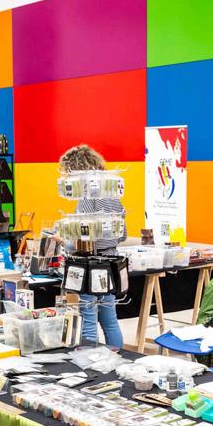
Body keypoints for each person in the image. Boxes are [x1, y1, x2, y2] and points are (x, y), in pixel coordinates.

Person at [59, 144, 126, 349]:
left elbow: (83, 239)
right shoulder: (113, 194)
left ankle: (91, 362)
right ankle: (118, 358)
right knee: (110, 321)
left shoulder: (87, 196)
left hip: (90, 266)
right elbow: (122, 235)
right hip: (111, 262)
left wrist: (63, 239)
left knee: (88, 321)